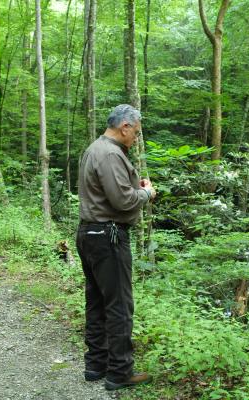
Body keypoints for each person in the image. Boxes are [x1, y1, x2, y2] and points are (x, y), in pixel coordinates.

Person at [76, 104, 156, 391]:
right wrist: (146, 193)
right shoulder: (110, 153)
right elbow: (123, 200)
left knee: (97, 302)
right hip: (107, 236)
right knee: (119, 305)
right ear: (124, 127)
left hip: (90, 233)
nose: (135, 138)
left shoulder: (95, 148)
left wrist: (136, 186)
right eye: (135, 132)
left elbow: (112, 190)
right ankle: (120, 372)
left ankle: (95, 366)